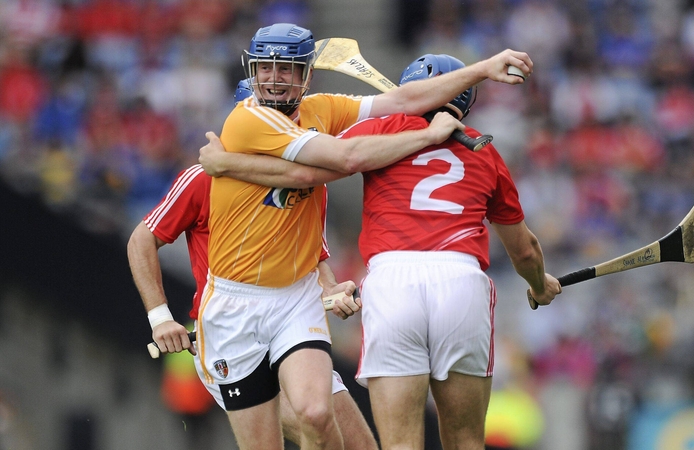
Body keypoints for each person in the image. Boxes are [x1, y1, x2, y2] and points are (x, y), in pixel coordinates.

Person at [190, 22, 531, 449]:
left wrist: (485, 67)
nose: (273, 78)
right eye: (265, 68)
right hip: (235, 301)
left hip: (300, 298)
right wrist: (426, 134)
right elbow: (340, 161)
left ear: (306, 75)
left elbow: (401, 100)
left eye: (285, 69)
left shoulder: (324, 109)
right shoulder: (248, 119)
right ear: (253, 70)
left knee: (323, 416)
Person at [343, 54, 562, 450]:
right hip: (461, 282)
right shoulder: (485, 152)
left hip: (392, 281)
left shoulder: (376, 129)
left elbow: (316, 161)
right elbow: (525, 251)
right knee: (465, 442)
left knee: (399, 445)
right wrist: (539, 285)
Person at [127, 162, 377, 447]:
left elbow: (314, 259)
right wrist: (160, 317)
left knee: (357, 444)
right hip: (231, 339)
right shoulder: (204, 179)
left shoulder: (308, 179)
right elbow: (141, 240)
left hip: (289, 331)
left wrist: (330, 289)